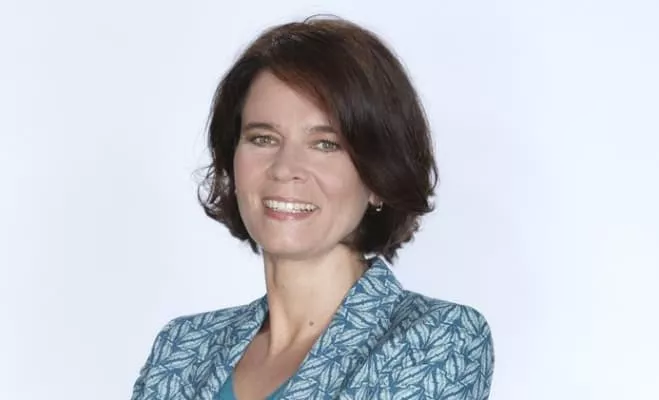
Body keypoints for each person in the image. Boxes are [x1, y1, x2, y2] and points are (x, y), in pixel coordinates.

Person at [131, 16, 494, 400]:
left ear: (378, 178)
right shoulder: (182, 349)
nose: (284, 168)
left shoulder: (439, 337)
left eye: (325, 144)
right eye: (263, 138)